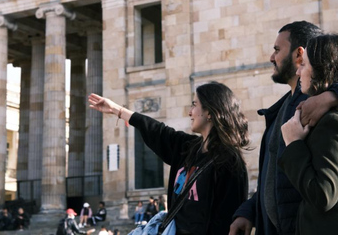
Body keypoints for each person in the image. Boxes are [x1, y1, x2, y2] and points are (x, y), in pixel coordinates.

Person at [89, 81, 250, 234]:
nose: (189, 112)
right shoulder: (188, 147)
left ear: (209, 112)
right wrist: (116, 109)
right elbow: (156, 130)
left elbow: (227, 221)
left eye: (194, 105)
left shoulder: (229, 161)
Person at [229, 21, 338, 235]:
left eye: (277, 50)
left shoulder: (315, 110)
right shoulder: (282, 109)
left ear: (299, 54)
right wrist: (249, 211)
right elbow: (276, 176)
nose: (271, 57)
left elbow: (322, 191)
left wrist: (332, 94)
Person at [278, 34, 338, 234]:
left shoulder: (330, 122)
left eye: (303, 64)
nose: (298, 71)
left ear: (321, 69)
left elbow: (323, 195)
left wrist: (293, 143)